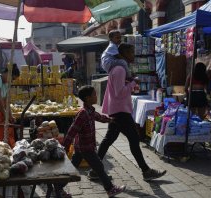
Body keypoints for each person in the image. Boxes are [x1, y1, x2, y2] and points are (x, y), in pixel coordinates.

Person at [97, 43, 166, 181]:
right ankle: (146, 171)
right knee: (133, 140)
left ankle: (95, 170)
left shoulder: (120, 69)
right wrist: (133, 82)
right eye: (131, 52)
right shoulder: (119, 70)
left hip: (118, 110)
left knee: (109, 139)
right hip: (120, 111)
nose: (133, 55)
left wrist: (130, 82)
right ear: (124, 54)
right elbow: (120, 92)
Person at [61, 85, 126, 197]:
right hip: (85, 147)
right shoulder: (83, 113)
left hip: (82, 147)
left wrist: (110, 120)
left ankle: (58, 188)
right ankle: (110, 189)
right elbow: (72, 130)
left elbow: (99, 117)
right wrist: (64, 146)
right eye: (94, 94)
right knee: (99, 167)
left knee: (72, 168)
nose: (96, 96)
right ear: (87, 98)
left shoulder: (90, 111)